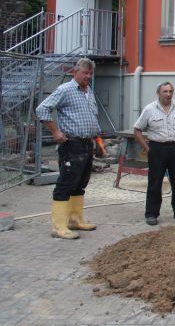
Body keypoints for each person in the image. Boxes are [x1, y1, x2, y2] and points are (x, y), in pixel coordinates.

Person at [36, 57, 102, 239]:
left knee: (81, 183)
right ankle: (59, 226)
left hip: (87, 143)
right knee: (66, 183)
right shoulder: (65, 90)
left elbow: (92, 117)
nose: (88, 76)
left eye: (90, 73)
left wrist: (96, 140)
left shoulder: (88, 92)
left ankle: (75, 220)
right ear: (75, 72)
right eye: (84, 73)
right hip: (71, 144)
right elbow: (42, 109)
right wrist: (55, 131)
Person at [134, 82, 175, 225]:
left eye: (170, 91)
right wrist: (148, 149)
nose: (168, 94)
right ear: (158, 93)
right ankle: (151, 214)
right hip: (157, 149)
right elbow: (137, 130)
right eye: (165, 91)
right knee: (155, 182)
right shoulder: (149, 109)